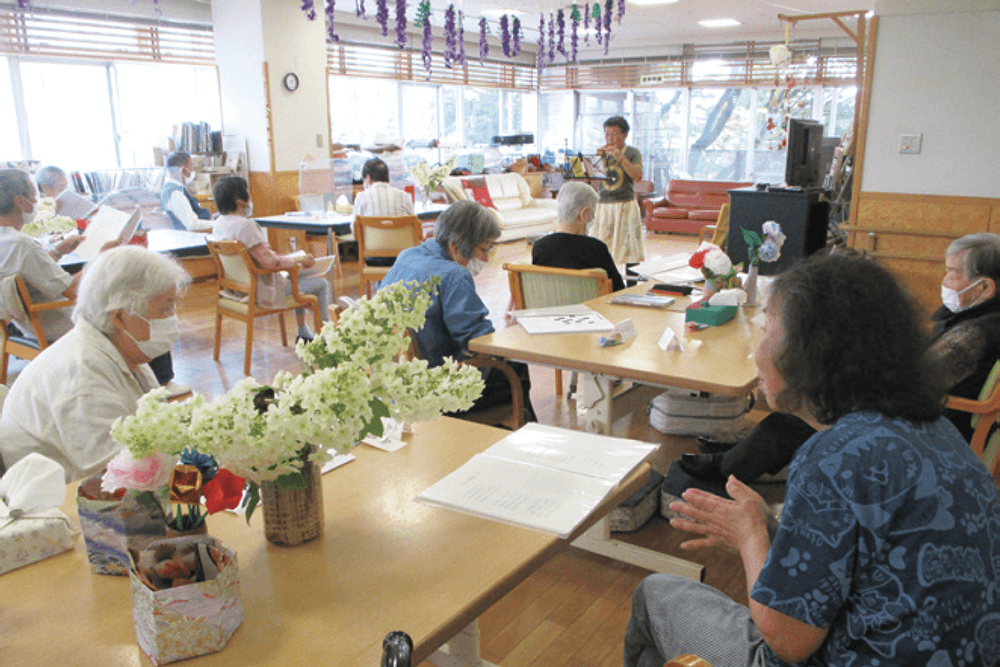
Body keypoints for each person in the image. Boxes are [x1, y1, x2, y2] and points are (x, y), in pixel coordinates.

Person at [624, 251, 1000, 667]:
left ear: (816, 352)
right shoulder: (935, 429)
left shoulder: (834, 458)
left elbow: (787, 640)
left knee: (655, 594)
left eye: (769, 329)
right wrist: (764, 531)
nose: (757, 350)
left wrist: (752, 537)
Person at [681, 232, 1000, 484]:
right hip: (926, 411)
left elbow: (915, 378)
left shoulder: (975, 334)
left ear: (984, 287)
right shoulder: (978, 318)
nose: (945, 282)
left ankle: (729, 470)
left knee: (807, 404)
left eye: (952, 274)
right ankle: (737, 456)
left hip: (926, 424)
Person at [0, 246, 191, 482]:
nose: (173, 317)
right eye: (166, 308)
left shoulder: (121, 349)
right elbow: (119, 474)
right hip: (60, 500)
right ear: (119, 316)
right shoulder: (81, 374)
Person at [380, 200, 535, 421]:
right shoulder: (453, 274)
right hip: (438, 384)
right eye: (484, 249)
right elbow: (480, 344)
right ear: (456, 246)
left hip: (399, 378)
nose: (485, 259)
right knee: (516, 370)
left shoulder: (407, 256)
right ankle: (519, 436)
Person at [210, 175, 329, 342]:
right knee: (321, 284)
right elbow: (272, 263)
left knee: (297, 274)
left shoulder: (219, 223)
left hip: (236, 290)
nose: (250, 198)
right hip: (261, 291)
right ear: (240, 202)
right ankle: (325, 338)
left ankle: (303, 332)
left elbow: (264, 259)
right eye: (248, 194)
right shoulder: (246, 226)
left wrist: (294, 260)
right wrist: (298, 259)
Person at [532, 181, 625, 291]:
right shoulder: (596, 248)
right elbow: (618, 291)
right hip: (587, 307)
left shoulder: (539, 247)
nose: (592, 220)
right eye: (592, 215)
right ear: (583, 213)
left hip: (552, 307)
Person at [590, 116, 644, 270]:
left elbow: (638, 176)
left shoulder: (633, 152)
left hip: (625, 203)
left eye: (614, 134)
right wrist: (594, 162)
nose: (610, 138)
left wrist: (621, 158)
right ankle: (606, 281)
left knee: (629, 246)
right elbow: (594, 180)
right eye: (607, 134)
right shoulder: (602, 153)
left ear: (625, 135)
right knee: (601, 245)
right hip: (604, 204)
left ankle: (632, 284)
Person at [353, 156, 415, 268]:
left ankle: (384, 285)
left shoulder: (361, 197)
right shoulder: (404, 196)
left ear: (368, 178)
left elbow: (356, 233)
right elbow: (413, 228)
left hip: (374, 257)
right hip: (403, 256)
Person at [160, 151, 213, 231]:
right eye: (192, 167)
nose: (193, 171)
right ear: (183, 170)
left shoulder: (174, 188)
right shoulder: (175, 193)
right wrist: (218, 223)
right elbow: (193, 225)